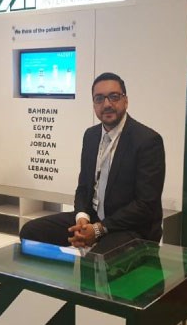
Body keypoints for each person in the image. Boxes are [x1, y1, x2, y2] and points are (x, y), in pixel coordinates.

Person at [20, 72, 166, 254]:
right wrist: (82, 218)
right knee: (31, 233)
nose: (107, 104)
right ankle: (62, 273)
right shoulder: (91, 136)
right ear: (94, 104)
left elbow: (145, 205)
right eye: (99, 98)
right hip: (94, 218)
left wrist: (98, 229)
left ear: (125, 101)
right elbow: (83, 187)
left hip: (131, 227)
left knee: (96, 259)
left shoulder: (147, 141)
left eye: (114, 97)